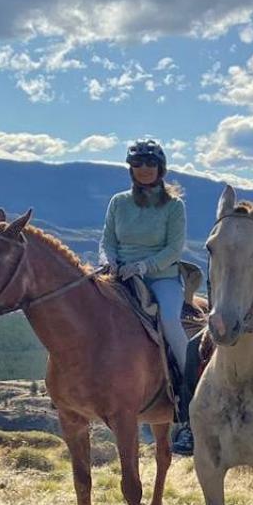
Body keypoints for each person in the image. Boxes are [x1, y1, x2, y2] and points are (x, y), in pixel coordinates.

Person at [101, 138, 193, 454]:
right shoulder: (118, 202)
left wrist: (144, 266)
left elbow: (174, 249)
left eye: (149, 164)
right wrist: (111, 260)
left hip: (161, 278)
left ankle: (189, 398)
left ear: (160, 168)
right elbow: (107, 239)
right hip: (120, 273)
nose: (143, 170)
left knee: (171, 323)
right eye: (137, 164)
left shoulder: (174, 206)